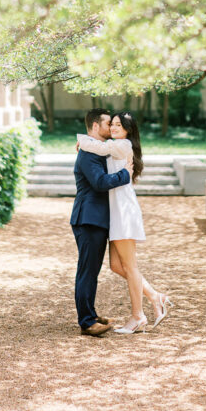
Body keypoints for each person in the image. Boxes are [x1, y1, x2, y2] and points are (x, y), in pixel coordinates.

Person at [76, 111, 172, 333]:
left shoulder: (123, 145)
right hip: (114, 210)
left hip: (123, 210)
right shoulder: (112, 144)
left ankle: (138, 316)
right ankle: (156, 296)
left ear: (128, 130)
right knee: (116, 266)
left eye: (118, 124)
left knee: (129, 266)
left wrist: (82, 141)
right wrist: (85, 144)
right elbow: (99, 152)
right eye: (112, 124)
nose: (114, 128)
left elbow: (99, 149)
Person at [70, 108, 133, 337]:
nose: (111, 128)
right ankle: (86, 322)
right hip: (88, 219)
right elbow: (99, 182)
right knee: (87, 271)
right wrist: (125, 174)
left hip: (96, 219)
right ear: (96, 126)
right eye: (108, 124)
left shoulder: (95, 149)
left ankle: (91, 314)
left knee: (91, 270)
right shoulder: (88, 153)